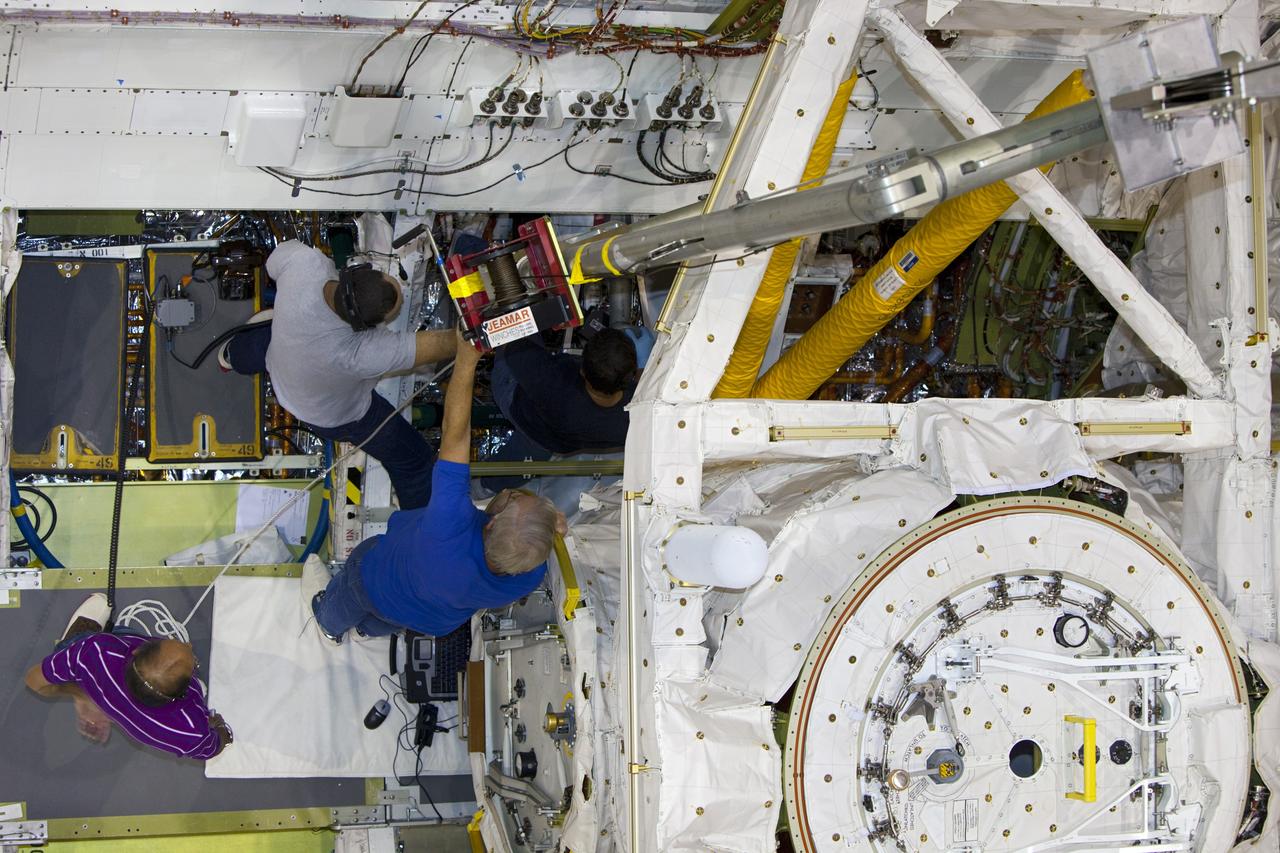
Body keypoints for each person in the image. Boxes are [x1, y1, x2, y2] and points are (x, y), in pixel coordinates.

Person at [309, 331, 566, 643]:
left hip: (374, 582)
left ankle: (328, 624)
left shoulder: (450, 521)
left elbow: (455, 434)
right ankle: (366, 631)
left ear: (493, 522)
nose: (512, 494)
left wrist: (466, 360)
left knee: (350, 591)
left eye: (513, 498)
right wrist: (547, 528)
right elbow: (528, 539)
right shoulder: (527, 574)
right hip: (425, 618)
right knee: (385, 620)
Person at [223, 240, 454, 510]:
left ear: (355, 271)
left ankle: (232, 356)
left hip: (281, 359)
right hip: (331, 415)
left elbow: (273, 263)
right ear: (366, 328)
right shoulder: (359, 352)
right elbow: (444, 344)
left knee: (260, 345)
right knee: (415, 463)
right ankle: (419, 526)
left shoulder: (306, 265)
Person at [24, 593, 231, 760]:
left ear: (137, 651)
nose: (189, 644)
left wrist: (84, 693)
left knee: (80, 644)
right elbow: (213, 747)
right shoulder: (190, 731)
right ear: (183, 694)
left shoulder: (98, 651)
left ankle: (71, 643)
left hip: (97, 663)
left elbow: (33, 680)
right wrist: (220, 728)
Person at [491, 327, 639, 457]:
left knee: (516, 322)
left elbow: (513, 349)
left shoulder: (558, 387)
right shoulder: (635, 418)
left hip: (517, 398)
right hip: (552, 442)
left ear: (582, 371)